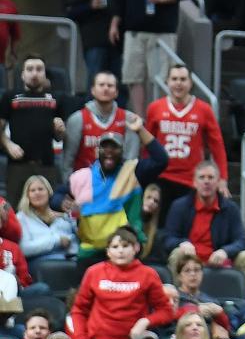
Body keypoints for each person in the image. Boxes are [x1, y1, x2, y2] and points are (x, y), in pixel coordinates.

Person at [70, 226, 175, 339]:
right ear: (108, 251)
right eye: (115, 247)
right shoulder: (94, 273)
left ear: (136, 248)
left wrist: (145, 321)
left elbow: (166, 311)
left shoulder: (148, 275)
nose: (120, 251)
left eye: (125, 246)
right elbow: (79, 310)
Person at [60, 120, 168, 263]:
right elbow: (56, 195)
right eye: (105, 147)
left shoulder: (131, 171)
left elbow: (161, 160)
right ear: (96, 151)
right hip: (90, 250)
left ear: (122, 152)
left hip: (124, 248)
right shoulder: (82, 176)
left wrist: (140, 130)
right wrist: (62, 202)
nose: (109, 151)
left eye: (114, 147)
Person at [110, 0, 190, 117]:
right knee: (133, 76)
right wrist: (114, 24)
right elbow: (120, 2)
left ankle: (159, 116)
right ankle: (140, 117)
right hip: (134, 33)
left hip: (161, 33)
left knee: (161, 77)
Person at [163, 161, 245, 299]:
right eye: (202, 178)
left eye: (210, 177)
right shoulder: (179, 206)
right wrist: (182, 243)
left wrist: (225, 251)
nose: (206, 182)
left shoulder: (230, 208)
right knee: (177, 253)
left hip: (217, 259)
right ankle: (178, 300)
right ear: (194, 183)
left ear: (218, 182)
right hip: (190, 258)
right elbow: (167, 238)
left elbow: (242, 240)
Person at [145, 66, 228, 216]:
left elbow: (217, 145)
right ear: (167, 82)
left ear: (190, 83)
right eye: (174, 79)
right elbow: (146, 146)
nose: (178, 83)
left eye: (183, 79)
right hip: (161, 178)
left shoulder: (204, 109)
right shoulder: (155, 108)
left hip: (191, 180)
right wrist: (145, 177)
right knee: (160, 229)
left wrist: (222, 177)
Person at [0, 55, 67, 205]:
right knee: (15, 210)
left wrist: (60, 130)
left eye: (39, 69)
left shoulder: (56, 99)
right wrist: (8, 145)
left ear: (44, 74)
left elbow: (59, 138)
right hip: (17, 165)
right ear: (23, 75)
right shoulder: (10, 96)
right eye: (30, 69)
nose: (34, 73)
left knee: (47, 208)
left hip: (46, 164)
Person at [62, 71, 137, 178]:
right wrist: (69, 188)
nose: (105, 88)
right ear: (92, 90)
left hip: (117, 184)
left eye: (110, 85)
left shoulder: (129, 119)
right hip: (84, 185)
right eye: (101, 85)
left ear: (116, 92)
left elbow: (131, 161)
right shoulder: (77, 119)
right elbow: (67, 162)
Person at [68, 0, 123, 84]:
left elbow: (124, 7)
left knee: (119, 83)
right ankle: (91, 105)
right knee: (96, 80)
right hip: (94, 42)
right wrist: (90, 6)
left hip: (117, 43)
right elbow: (70, 12)